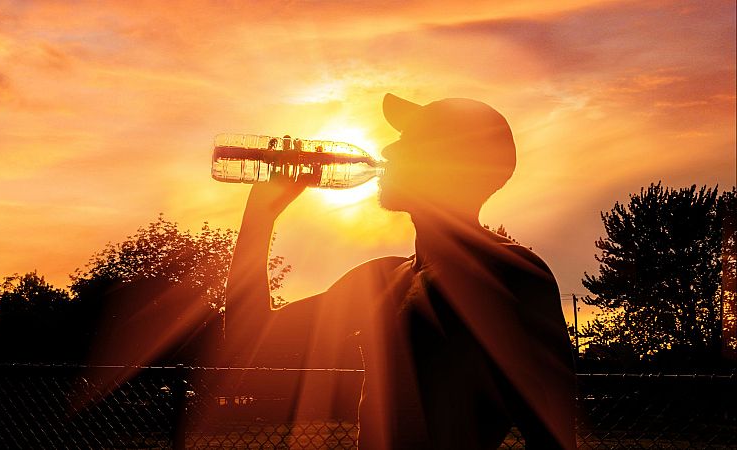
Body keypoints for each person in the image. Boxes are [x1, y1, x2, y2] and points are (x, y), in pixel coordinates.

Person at [224, 93, 577, 449]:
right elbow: (250, 335)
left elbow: (553, 437)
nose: (389, 151)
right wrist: (260, 215)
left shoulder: (509, 274)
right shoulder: (382, 279)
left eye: (410, 142)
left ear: (451, 163)